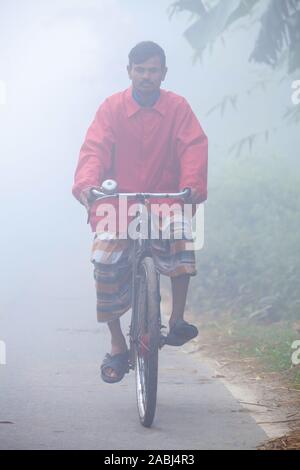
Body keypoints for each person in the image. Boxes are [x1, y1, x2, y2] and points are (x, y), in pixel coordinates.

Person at [72, 41, 208, 383]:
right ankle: (118, 345)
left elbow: (193, 146)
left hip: (166, 200)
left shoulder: (178, 107)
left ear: (164, 73)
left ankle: (176, 320)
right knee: (104, 260)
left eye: (153, 70)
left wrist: (191, 185)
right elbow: (94, 150)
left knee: (180, 236)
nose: (147, 76)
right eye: (141, 70)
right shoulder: (111, 108)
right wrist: (88, 185)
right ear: (129, 71)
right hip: (119, 202)